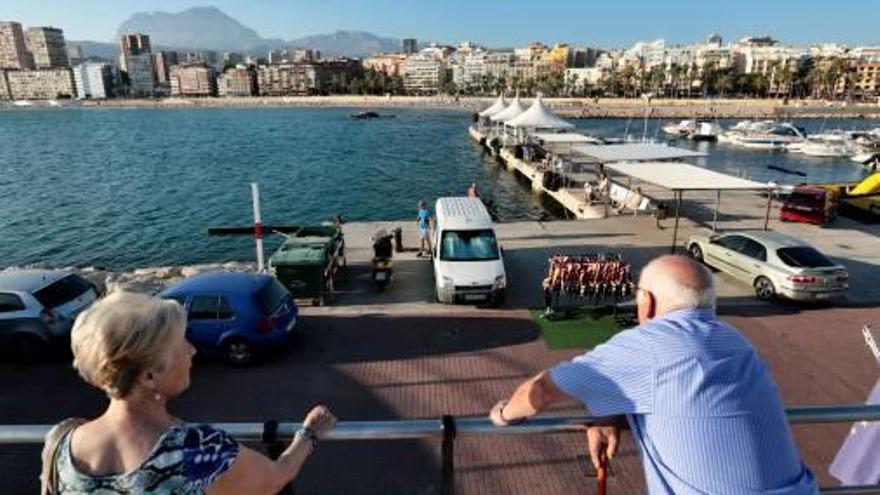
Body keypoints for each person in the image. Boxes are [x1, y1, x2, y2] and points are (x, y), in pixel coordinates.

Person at [489, 255, 818, 495]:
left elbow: (543, 391)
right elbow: (681, 390)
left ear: (645, 302)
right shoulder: (734, 340)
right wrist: (610, 414)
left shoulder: (653, 346)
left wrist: (504, 414)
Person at [42, 291, 336, 495]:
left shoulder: (62, 442)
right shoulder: (197, 449)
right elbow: (275, 479)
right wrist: (308, 434)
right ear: (148, 376)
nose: (192, 350)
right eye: (181, 345)